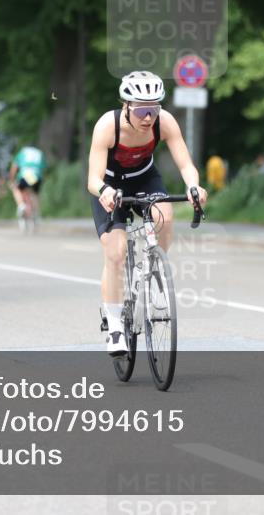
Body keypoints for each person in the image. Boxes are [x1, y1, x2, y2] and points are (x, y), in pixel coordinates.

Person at [87, 71, 208, 357]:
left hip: (144, 178)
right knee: (116, 252)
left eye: (154, 109)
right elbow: (92, 179)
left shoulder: (164, 122)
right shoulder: (107, 125)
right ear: (126, 105)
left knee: (165, 216)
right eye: (142, 110)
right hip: (110, 185)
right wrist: (104, 190)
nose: (148, 117)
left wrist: (193, 186)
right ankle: (115, 325)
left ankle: (154, 270)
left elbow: (186, 165)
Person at [9, 144, 46, 229]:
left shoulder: (23, 152)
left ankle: (21, 205)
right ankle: (35, 212)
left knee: (16, 189)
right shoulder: (39, 153)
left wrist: (11, 180)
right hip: (36, 176)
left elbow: (14, 167)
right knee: (35, 194)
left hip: (25, 175)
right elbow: (43, 167)